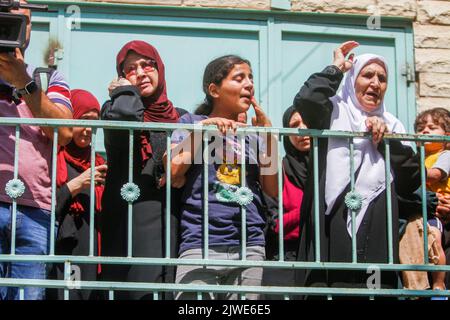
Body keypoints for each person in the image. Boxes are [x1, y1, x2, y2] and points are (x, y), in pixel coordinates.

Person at [292, 41, 421, 294]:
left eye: (382, 78)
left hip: (378, 217)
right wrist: (336, 68)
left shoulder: (394, 125)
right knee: (329, 285)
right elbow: (307, 99)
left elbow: (412, 177)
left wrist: (387, 141)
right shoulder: (333, 112)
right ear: (352, 80)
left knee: (375, 287)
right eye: (367, 75)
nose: (375, 83)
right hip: (332, 217)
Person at [167, 55, 278, 300]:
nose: (249, 84)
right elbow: (173, 170)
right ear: (214, 90)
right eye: (239, 78)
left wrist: (269, 136)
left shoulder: (254, 133)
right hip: (200, 241)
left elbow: (272, 189)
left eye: (251, 78)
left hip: (249, 244)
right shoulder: (191, 123)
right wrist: (205, 128)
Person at [101, 40, 186, 300]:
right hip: (130, 213)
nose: (140, 72)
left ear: (159, 68)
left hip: (171, 213)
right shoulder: (112, 109)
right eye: (130, 69)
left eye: (147, 65)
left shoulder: (180, 117)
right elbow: (126, 117)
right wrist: (126, 93)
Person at [0, 0, 73, 300]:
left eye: (22, 21)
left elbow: (64, 132)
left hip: (34, 208)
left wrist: (25, 84)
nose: (13, 27)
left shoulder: (47, 77)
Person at [49, 89, 107, 300]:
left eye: (94, 121)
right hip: (65, 252)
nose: (88, 129)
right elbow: (46, 206)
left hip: (93, 252)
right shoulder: (54, 158)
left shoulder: (98, 163)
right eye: (83, 119)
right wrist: (76, 185)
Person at [262, 106, 310, 299]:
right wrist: (309, 209)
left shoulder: (331, 168)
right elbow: (274, 224)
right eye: (295, 125)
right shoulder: (280, 171)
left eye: (308, 122)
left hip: (322, 256)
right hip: (286, 257)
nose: (303, 129)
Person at [402, 108, 450, 293]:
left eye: (432, 127)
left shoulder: (445, 155)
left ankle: (439, 282)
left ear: (446, 136)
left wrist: (407, 170)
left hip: (437, 211)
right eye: (421, 128)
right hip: (425, 210)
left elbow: (434, 176)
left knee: (435, 238)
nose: (425, 131)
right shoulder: (418, 158)